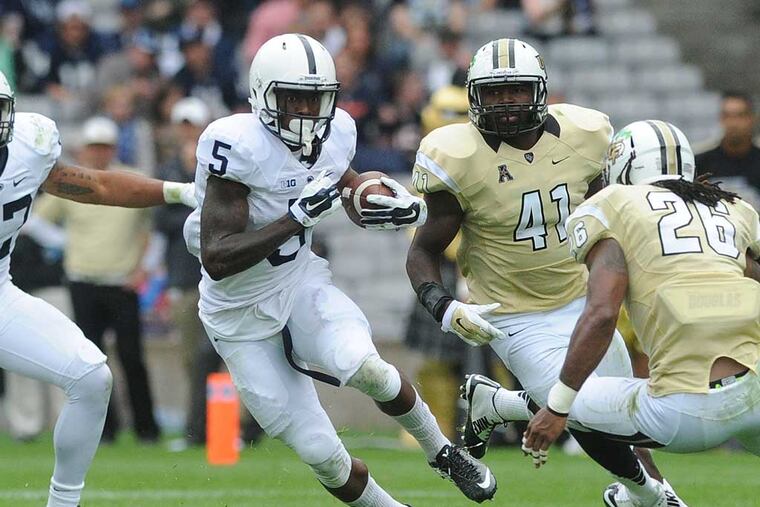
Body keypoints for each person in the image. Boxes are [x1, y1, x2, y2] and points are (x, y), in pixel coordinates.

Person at [182, 33, 496, 506]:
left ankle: (444, 452)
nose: (307, 114)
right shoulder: (236, 146)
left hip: (298, 281)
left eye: (317, 100)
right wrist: (297, 219)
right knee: (321, 452)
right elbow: (218, 257)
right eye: (294, 100)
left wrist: (388, 202)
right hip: (237, 315)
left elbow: (346, 188)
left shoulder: (335, 134)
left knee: (369, 369)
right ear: (263, 95)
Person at [403, 38, 684, 505]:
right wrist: (446, 306)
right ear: (474, 95)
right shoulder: (456, 154)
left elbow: (606, 211)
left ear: (541, 91)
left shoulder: (587, 132)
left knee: (627, 420)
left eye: (515, 90)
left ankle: (497, 406)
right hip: (512, 311)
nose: (505, 103)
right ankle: (657, 498)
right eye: (493, 93)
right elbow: (424, 248)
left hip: (583, 295)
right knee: (586, 411)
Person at [524, 120, 760, 506]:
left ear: (626, 166)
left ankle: (644, 496)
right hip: (755, 397)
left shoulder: (615, 205)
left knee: (560, 397)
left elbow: (602, 314)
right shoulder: (734, 208)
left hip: (684, 415)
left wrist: (556, 408)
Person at [0, 70, 195, 507]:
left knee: (91, 377)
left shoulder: (27, 149)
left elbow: (100, 185)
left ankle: (64, 503)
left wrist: (179, 190)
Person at [34, 116, 162, 444]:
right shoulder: (73, 184)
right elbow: (35, 223)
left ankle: (146, 429)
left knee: (132, 358)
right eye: (94, 147)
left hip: (122, 282)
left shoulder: (132, 180)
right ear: (84, 149)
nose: (99, 153)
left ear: (113, 148)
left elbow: (153, 232)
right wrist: (65, 245)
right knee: (91, 364)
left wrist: (143, 270)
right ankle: (105, 430)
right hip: (84, 282)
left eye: (104, 146)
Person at [696, 91, 760, 193]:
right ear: (721, 118)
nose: (733, 123)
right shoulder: (700, 164)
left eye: (740, 116)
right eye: (727, 116)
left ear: (752, 118)